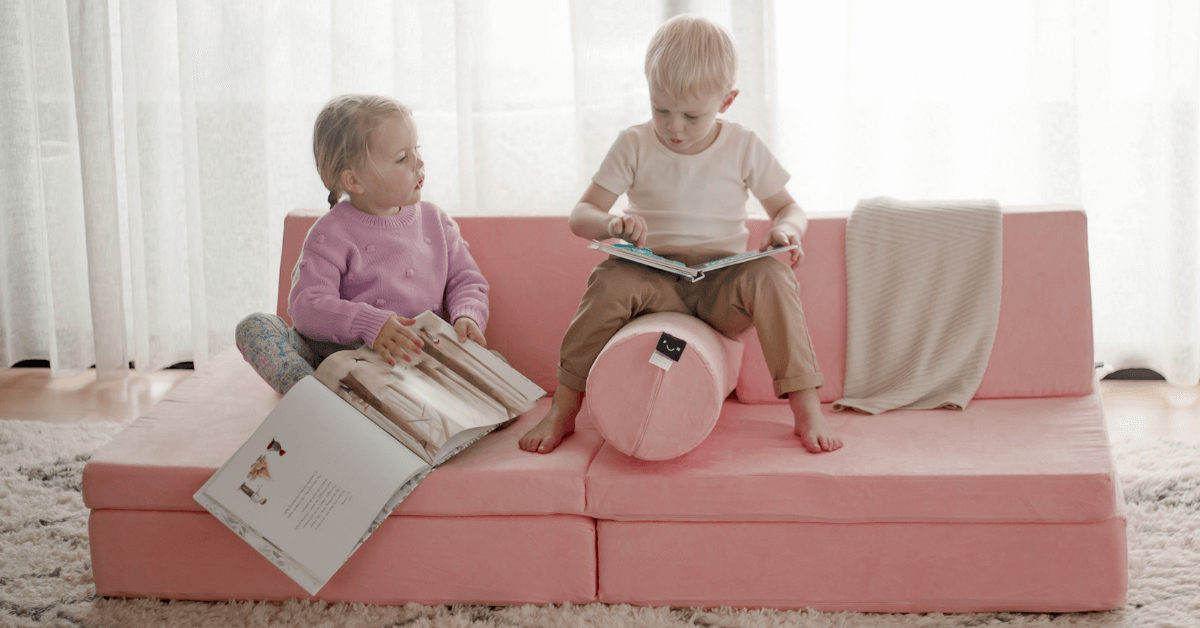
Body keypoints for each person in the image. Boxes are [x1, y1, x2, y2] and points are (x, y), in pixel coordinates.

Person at [518, 15, 842, 455]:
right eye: (660, 110)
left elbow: (789, 208)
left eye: (691, 115)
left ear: (726, 101)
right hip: (653, 281)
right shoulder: (633, 144)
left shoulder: (743, 145)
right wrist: (612, 226)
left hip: (720, 286)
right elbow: (582, 214)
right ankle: (563, 409)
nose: (674, 128)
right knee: (609, 279)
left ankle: (806, 410)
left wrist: (786, 230)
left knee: (773, 276)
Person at [236, 94, 489, 395]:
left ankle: (357, 402)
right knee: (254, 328)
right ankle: (310, 396)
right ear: (354, 181)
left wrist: (467, 316)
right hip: (330, 356)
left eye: (416, 150)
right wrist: (370, 323)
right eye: (402, 158)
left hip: (405, 360)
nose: (420, 163)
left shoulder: (435, 220)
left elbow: (466, 280)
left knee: (492, 372)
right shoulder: (330, 232)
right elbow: (306, 306)